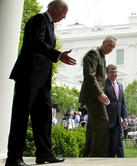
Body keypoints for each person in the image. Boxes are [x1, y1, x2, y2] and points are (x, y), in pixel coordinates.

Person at [5, 1, 76, 165]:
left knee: (43, 117)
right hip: (28, 77)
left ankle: (44, 154)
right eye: (64, 13)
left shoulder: (50, 25)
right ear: (55, 8)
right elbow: (37, 43)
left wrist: (56, 57)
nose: (64, 17)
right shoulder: (38, 20)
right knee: (20, 118)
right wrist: (58, 55)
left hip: (42, 80)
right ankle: (14, 158)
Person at [79, 36, 117, 157]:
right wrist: (100, 93)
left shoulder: (102, 57)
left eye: (113, 47)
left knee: (92, 125)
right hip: (92, 95)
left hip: (96, 95)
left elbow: (99, 78)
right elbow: (90, 76)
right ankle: (95, 156)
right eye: (109, 45)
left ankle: (87, 154)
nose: (111, 49)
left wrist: (102, 93)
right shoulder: (93, 54)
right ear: (103, 43)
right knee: (103, 121)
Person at [104, 64, 128, 157]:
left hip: (118, 121)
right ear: (107, 73)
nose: (114, 74)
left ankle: (122, 162)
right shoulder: (103, 84)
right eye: (111, 72)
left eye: (115, 72)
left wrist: (125, 117)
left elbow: (122, 103)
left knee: (119, 145)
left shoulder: (120, 85)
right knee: (110, 146)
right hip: (108, 120)